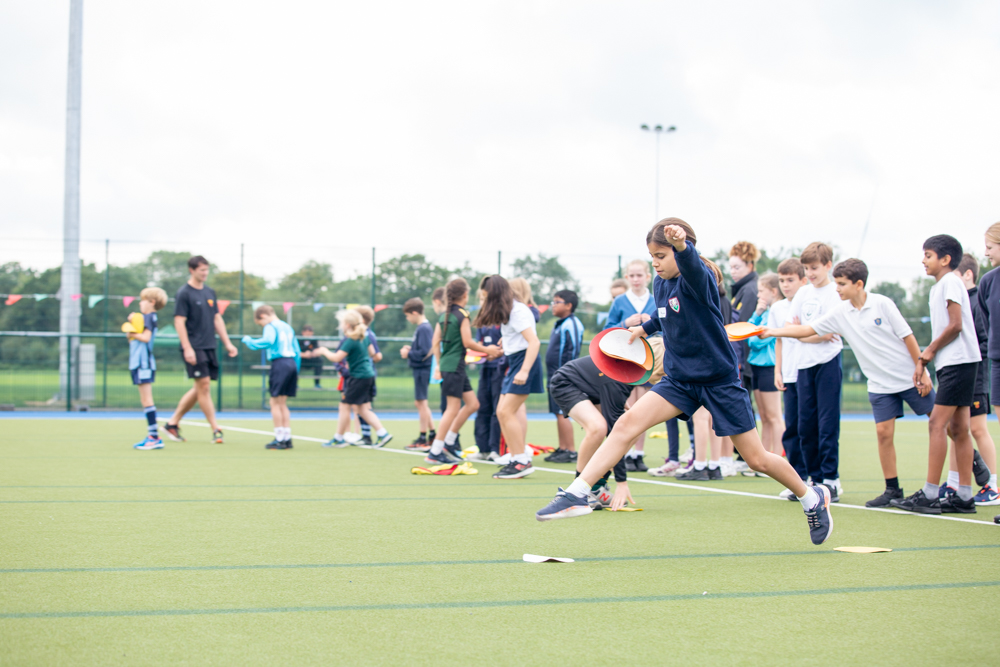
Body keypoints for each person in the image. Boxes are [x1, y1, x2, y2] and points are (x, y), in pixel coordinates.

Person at [536, 219, 832, 546]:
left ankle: (811, 497)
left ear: (681, 251)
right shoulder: (660, 283)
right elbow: (666, 313)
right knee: (625, 424)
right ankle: (578, 492)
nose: (655, 263)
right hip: (679, 379)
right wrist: (644, 328)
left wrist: (682, 247)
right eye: (652, 256)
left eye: (661, 255)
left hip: (718, 380)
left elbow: (692, 268)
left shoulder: (699, 279)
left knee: (756, 459)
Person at [763, 258, 935, 507]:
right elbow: (808, 329)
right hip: (879, 384)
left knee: (944, 425)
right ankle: (892, 490)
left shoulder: (882, 304)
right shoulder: (841, 312)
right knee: (883, 434)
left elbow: (908, 337)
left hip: (909, 377)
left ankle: (972, 464)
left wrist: (922, 369)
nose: (837, 288)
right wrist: (773, 331)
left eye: (842, 284)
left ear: (859, 284)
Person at [891, 235, 982, 514]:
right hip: (956, 363)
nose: (923, 260)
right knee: (959, 429)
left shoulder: (950, 281)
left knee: (936, 424)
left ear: (945, 260)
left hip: (959, 362)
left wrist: (926, 354)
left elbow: (956, 325)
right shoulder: (940, 287)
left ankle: (930, 494)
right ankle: (964, 496)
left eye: (928, 255)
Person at [549, 337, 666, 511]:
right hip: (566, 383)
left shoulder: (630, 372)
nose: (664, 376)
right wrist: (622, 482)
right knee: (598, 428)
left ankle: (596, 487)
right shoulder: (618, 379)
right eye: (662, 372)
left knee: (633, 430)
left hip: (593, 389)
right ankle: (578, 492)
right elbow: (614, 431)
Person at [789, 242, 844, 500]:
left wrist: (805, 334)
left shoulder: (835, 293)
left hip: (829, 363)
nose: (810, 273)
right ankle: (813, 479)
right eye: (807, 268)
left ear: (828, 266)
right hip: (804, 365)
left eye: (814, 268)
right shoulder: (802, 294)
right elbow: (793, 328)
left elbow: (829, 334)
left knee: (827, 423)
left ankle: (831, 479)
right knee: (805, 425)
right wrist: (809, 335)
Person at [475, 275, 544, 479]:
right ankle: (517, 458)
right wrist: (506, 343)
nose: (485, 301)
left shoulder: (518, 311)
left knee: (506, 411)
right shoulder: (510, 310)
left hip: (524, 363)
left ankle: (521, 461)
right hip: (515, 361)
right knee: (501, 411)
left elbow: (534, 343)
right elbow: (517, 337)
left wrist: (524, 371)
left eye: (487, 296)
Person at [163, 256, 238, 444]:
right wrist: (187, 348)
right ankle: (215, 429)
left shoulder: (209, 292)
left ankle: (172, 423)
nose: (205, 273)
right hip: (194, 346)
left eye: (207, 270)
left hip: (209, 345)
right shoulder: (184, 293)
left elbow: (217, 319)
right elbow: (179, 321)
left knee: (201, 386)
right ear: (192, 270)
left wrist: (228, 343)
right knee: (204, 385)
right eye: (201, 270)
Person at [426, 278, 500, 465]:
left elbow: (436, 342)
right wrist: (488, 350)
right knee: (452, 409)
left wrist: (438, 364)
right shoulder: (462, 315)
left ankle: (449, 442)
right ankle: (435, 451)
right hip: (454, 367)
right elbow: (467, 342)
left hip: (451, 365)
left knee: (473, 404)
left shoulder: (444, 315)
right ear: (465, 295)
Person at [675, 257, 732, 481]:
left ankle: (700, 465)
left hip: (706, 365)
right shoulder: (721, 299)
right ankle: (714, 464)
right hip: (718, 363)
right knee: (711, 418)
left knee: (701, 417)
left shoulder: (703, 298)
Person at [948, 254, 997, 505]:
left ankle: (992, 484)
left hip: (975, 372)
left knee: (977, 429)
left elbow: (985, 340)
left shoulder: (977, 300)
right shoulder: (958, 300)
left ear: (967, 274)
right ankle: (954, 482)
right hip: (959, 371)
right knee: (958, 429)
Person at [605, 259, 657, 472]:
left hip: (648, 359)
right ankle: (623, 451)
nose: (636, 279)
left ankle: (639, 453)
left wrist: (651, 325)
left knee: (643, 407)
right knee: (626, 406)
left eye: (640, 275)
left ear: (647, 276)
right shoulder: (619, 302)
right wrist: (625, 324)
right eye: (632, 276)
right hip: (624, 360)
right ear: (627, 278)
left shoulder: (655, 300)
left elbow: (667, 328)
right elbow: (607, 329)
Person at [316, 310, 393, 448]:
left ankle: (338, 438)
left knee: (344, 406)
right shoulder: (364, 337)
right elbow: (373, 354)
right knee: (363, 409)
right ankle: (383, 433)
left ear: (347, 325)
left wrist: (324, 351)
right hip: (368, 375)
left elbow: (336, 358)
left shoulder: (350, 340)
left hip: (358, 377)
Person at [772, 259, 809, 496]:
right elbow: (779, 340)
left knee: (808, 426)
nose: (786, 285)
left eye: (790, 280)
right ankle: (797, 480)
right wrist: (778, 371)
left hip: (807, 371)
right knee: (792, 428)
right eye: (782, 280)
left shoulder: (808, 303)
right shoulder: (777, 309)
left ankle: (816, 478)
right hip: (789, 375)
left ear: (803, 281)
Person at [241, 305, 301, 450]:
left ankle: (279, 438)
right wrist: (296, 369)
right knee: (282, 403)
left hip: (280, 363)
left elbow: (267, 341)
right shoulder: (287, 327)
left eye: (260, 323)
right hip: (292, 363)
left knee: (274, 402)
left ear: (263, 316)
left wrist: (249, 341)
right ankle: (287, 438)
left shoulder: (270, 326)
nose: (262, 325)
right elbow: (297, 350)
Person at [746, 272, 784, 466]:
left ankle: (778, 458)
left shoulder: (777, 312)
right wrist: (756, 314)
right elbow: (748, 333)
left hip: (769, 367)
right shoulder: (763, 313)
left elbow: (757, 341)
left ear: (773, 291)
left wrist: (754, 335)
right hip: (756, 367)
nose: (759, 294)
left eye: (762, 291)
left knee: (774, 416)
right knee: (764, 416)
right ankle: (765, 459)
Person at [543, 289, 584, 464]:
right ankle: (562, 447)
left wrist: (565, 375)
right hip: (553, 376)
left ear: (568, 305)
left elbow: (572, 350)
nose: (553, 305)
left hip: (563, 377)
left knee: (562, 413)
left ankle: (571, 450)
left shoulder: (572, 324)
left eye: (557, 302)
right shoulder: (559, 324)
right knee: (556, 412)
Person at [129, 287, 168, 450]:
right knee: (144, 400)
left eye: (143, 300)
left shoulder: (150, 317)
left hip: (144, 364)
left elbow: (145, 338)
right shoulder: (143, 319)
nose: (140, 303)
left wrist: (133, 329)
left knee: (147, 399)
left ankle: (154, 437)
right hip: (137, 363)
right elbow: (132, 340)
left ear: (152, 302)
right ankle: (152, 436)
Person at [400, 297, 435, 451]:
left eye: (408, 315)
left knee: (422, 403)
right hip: (420, 369)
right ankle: (432, 434)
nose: (408, 319)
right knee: (420, 403)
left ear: (414, 312)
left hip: (423, 369)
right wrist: (411, 349)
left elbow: (426, 352)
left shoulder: (424, 328)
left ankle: (423, 437)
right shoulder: (422, 328)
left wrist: (408, 353)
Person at [471, 318, 505, 462]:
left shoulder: (505, 320)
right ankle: (483, 448)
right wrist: (484, 353)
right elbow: (477, 345)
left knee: (498, 410)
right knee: (482, 407)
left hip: (501, 369)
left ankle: (496, 450)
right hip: (485, 369)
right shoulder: (482, 323)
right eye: (481, 299)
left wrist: (498, 352)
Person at [353, 305, 383, 446]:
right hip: (362, 374)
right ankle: (365, 435)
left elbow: (377, 356)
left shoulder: (367, 334)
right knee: (361, 406)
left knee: (364, 406)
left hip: (365, 374)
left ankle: (379, 433)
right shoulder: (363, 333)